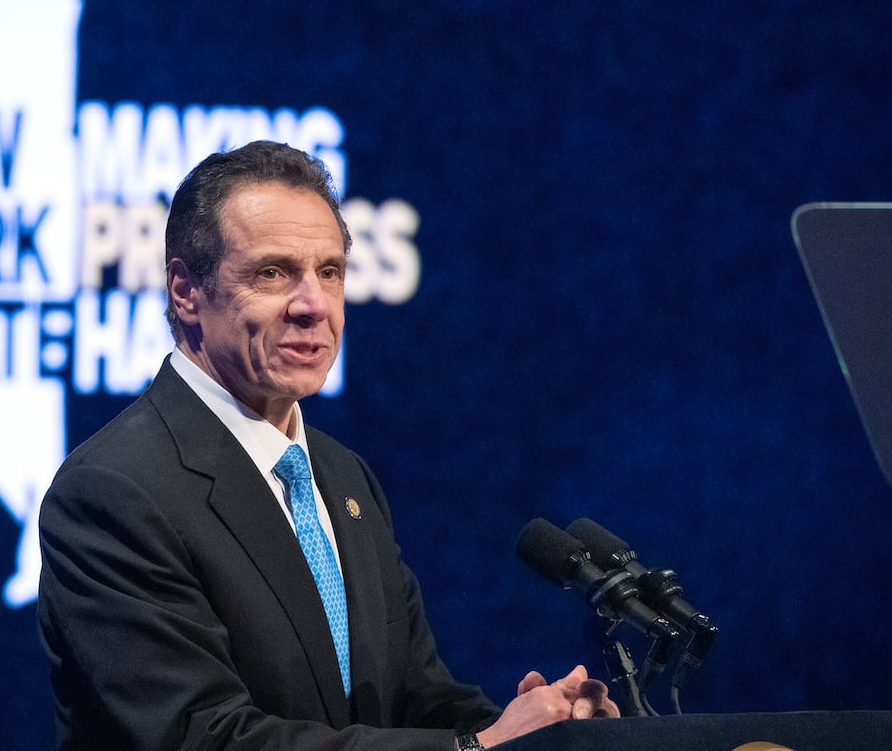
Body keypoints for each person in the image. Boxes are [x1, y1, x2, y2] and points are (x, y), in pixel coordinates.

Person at [37, 141, 617, 750]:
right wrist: (472, 749)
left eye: (331, 272)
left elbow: (411, 697)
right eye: (272, 273)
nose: (314, 305)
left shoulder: (342, 477)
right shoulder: (114, 491)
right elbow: (205, 737)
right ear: (186, 291)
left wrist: (533, 729)